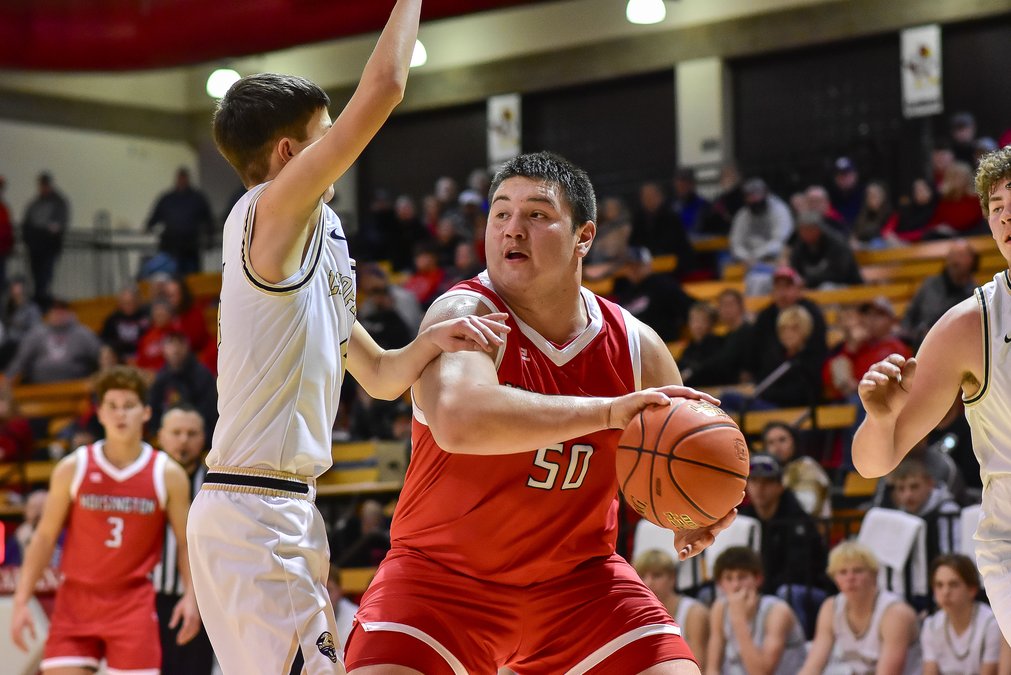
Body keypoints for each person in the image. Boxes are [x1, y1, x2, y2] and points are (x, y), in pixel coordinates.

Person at [184, 3, 512, 673]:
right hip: (255, 511)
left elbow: (384, 377)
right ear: (289, 153)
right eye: (327, 132)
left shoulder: (322, 243)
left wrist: (435, 339)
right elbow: (386, 85)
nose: (342, 140)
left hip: (278, 509)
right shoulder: (266, 211)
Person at [345, 152, 736, 673]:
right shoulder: (464, 312)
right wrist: (607, 412)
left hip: (580, 585)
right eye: (500, 213)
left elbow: (672, 456)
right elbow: (462, 421)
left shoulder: (638, 347)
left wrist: (690, 514)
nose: (512, 230)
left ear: (584, 236)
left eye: (536, 215)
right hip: (441, 582)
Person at [852, 146, 1011, 642]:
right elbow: (872, 464)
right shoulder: (971, 324)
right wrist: (880, 419)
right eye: (997, 209)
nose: (1007, 217)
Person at [9, 366, 200, 672]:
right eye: (112, 406)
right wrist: (21, 599)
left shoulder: (167, 474)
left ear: (146, 412)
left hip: (132, 604)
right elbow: (44, 538)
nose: (120, 414)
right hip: (76, 601)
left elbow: (186, 543)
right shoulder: (74, 467)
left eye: (129, 406)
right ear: (99, 413)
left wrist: (192, 596)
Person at [153, 404, 215, 674]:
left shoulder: (215, 483)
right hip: (151, 596)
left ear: (203, 438)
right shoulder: (147, 477)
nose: (183, 440)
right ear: (161, 436)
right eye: (176, 432)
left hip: (203, 597)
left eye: (191, 433)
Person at [799, 541, 921, 675]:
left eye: (858, 571)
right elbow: (813, 666)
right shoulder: (831, 608)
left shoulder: (895, 613)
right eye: (843, 572)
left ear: (874, 575)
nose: (850, 578)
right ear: (834, 578)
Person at [704, 546, 808, 675]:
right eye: (729, 578)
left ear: (758, 579)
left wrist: (739, 620)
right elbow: (712, 668)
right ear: (720, 584)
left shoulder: (777, 612)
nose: (735, 585)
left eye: (742, 577)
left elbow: (761, 672)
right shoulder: (719, 608)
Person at [922, 553, 1002, 675]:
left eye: (953, 584)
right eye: (939, 585)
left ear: (972, 589)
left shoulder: (991, 624)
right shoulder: (931, 625)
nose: (945, 592)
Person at [634, 549, 710, 668]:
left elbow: (699, 666)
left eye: (657, 575)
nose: (649, 582)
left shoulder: (694, 613)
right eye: (642, 576)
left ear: (672, 578)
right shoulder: (634, 614)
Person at [900, 238, 978, 349]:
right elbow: (909, 316)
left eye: (960, 255)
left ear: (972, 260)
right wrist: (913, 336)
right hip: (918, 344)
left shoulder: (975, 294)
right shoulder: (929, 284)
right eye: (951, 255)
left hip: (953, 348)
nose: (954, 260)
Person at [5, 299, 102, 385]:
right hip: (39, 387)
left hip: (77, 385)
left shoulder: (83, 333)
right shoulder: (36, 334)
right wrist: (7, 380)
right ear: (49, 313)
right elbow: (21, 360)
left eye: (62, 310)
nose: (58, 313)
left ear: (70, 313)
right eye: (55, 310)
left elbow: (100, 355)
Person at [886, 457, 962, 561]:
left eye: (914, 486)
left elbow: (953, 558)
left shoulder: (947, 511)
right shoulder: (900, 515)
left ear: (930, 484)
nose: (908, 495)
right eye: (901, 489)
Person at [145, 167, 215, 276]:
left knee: (192, 280)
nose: (182, 180)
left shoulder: (197, 198)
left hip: (191, 248)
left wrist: (210, 239)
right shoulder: (167, 199)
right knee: (170, 278)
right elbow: (155, 216)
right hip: (170, 248)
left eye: (184, 178)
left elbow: (208, 220)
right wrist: (148, 227)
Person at [761, 422, 831, 518]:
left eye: (782, 440)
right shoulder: (767, 471)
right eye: (771, 442)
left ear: (794, 441)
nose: (777, 447)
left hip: (808, 528)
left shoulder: (807, 465)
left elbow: (809, 507)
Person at [21, 172, 69, 304]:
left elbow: (59, 225)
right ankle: (38, 296)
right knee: (36, 274)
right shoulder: (35, 203)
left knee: (45, 274)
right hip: (35, 246)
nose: (43, 187)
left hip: (49, 246)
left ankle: (42, 297)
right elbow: (27, 223)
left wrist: (47, 230)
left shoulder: (59, 202)